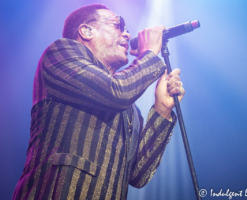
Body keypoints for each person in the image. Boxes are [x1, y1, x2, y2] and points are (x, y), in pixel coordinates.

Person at [13, 3, 185, 200]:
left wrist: (162, 110)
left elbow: (138, 176)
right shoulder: (60, 53)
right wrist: (150, 53)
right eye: (118, 25)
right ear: (86, 31)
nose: (128, 35)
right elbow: (116, 92)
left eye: (127, 30)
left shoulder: (129, 108)